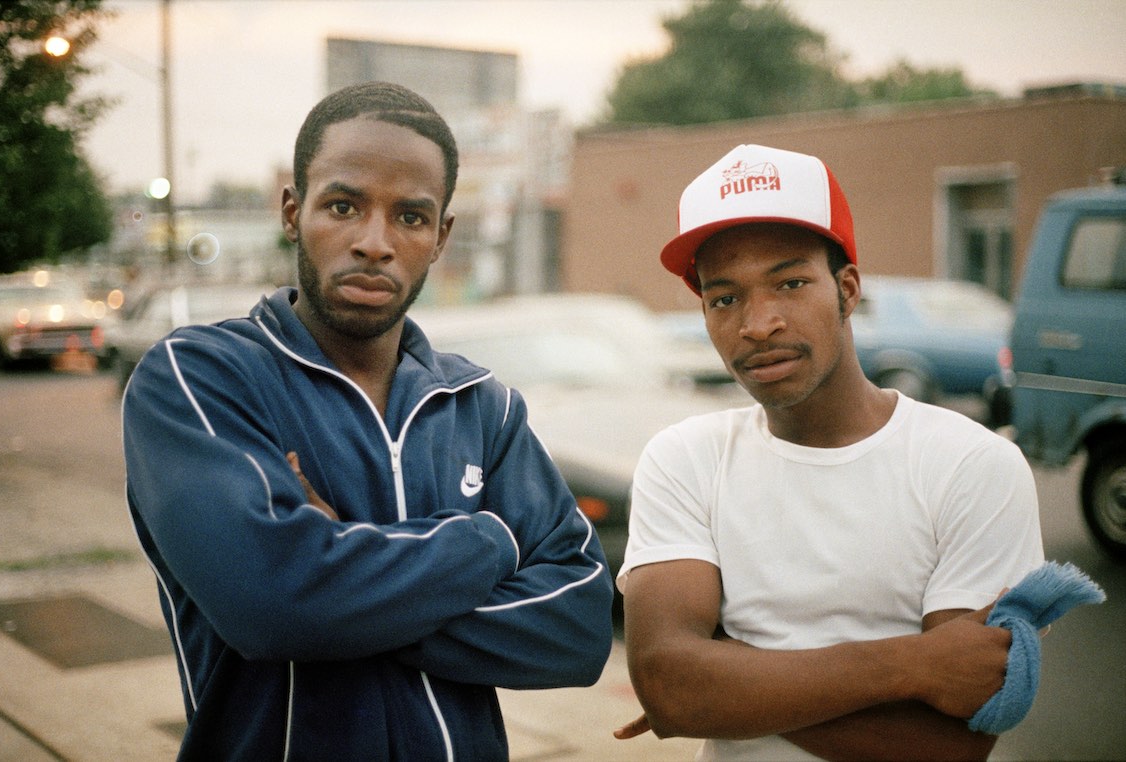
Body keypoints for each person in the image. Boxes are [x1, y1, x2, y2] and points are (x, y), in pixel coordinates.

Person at [122, 81, 614, 760]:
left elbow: (580, 627)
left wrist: (338, 578)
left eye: (410, 217)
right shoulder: (202, 376)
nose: (375, 242)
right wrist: (491, 541)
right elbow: (272, 604)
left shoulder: (483, 406)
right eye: (344, 206)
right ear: (292, 212)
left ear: (441, 236)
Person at [614, 143, 1044, 761]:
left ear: (847, 290)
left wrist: (730, 673)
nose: (758, 323)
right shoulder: (685, 460)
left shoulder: (973, 466)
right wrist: (914, 665)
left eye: (790, 283)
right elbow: (670, 688)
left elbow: (949, 744)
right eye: (725, 297)